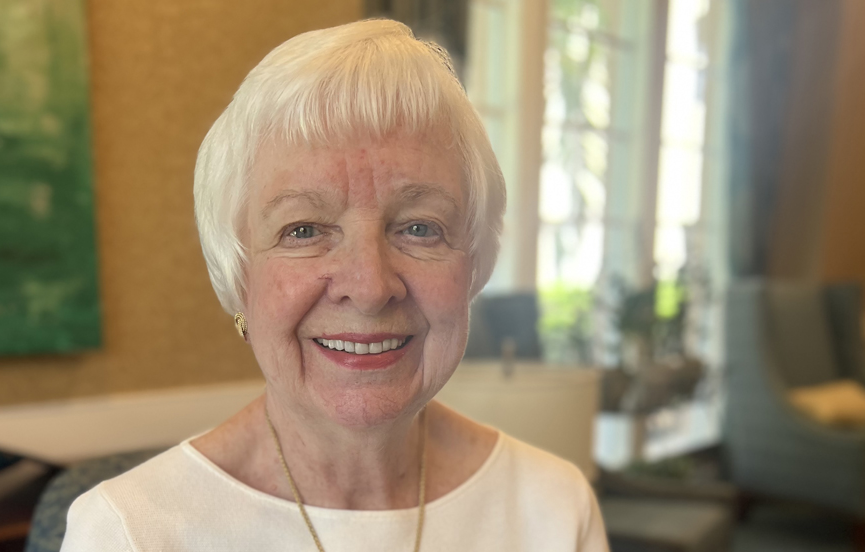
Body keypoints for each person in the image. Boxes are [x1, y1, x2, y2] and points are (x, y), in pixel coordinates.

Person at [61, 19, 608, 552]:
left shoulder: (554, 509)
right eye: (304, 230)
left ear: (475, 266)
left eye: (419, 227)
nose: (369, 287)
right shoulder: (130, 532)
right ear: (239, 276)